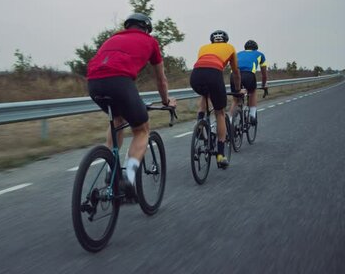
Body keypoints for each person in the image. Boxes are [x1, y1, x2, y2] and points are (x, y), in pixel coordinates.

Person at [87, 13, 177, 199]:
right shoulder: (150, 42)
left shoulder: (112, 38)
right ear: (146, 29)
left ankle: (110, 165)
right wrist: (166, 101)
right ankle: (128, 178)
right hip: (120, 83)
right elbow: (161, 80)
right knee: (142, 129)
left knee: (118, 120)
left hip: (94, 83)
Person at [190, 30, 241, 169]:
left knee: (205, 95)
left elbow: (203, 65)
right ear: (226, 40)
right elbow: (235, 72)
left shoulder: (203, 48)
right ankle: (220, 154)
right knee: (220, 113)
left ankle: (200, 124)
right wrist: (237, 90)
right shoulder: (230, 48)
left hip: (195, 76)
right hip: (213, 74)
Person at [229, 40, 267, 125]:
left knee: (236, 99)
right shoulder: (260, 54)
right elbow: (264, 75)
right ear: (256, 49)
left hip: (234, 75)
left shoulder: (238, 54)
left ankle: (231, 121)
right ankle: (252, 115)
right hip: (248, 75)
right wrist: (264, 84)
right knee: (252, 91)